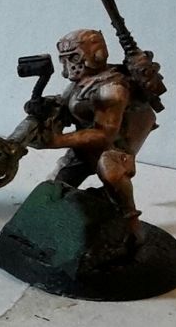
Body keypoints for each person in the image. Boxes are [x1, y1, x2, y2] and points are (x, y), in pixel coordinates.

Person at [40, 29, 157, 241]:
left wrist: (55, 141)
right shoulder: (81, 84)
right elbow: (63, 106)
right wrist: (44, 108)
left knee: (111, 172)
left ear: (95, 55)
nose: (69, 65)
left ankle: (132, 227)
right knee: (55, 185)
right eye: (64, 59)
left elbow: (105, 135)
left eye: (74, 58)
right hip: (84, 148)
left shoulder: (113, 88)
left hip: (115, 148)